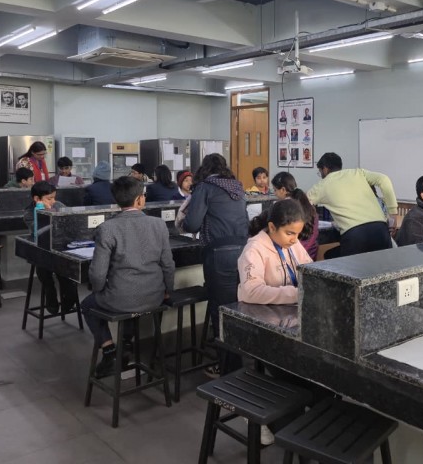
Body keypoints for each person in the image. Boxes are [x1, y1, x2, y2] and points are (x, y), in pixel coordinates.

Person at [81, 176, 174, 378]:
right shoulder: (158, 225)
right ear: (140, 199)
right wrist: (168, 291)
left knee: (88, 305)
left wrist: (98, 290)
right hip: (154, 297)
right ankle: (126, 344)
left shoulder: (107, 228)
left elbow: (97, 274)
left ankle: (109, 352)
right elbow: (168, 265)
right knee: (129, 297)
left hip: (121, 299)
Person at [181, 153, 249, 375]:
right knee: (236, 307)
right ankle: (239, 361)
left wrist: (184, 219)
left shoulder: (205, 187)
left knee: (220, 309)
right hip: (243, 250)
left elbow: (192, 224)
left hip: (219, 253)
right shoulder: (237, 187)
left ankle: (228, 370)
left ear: (205, 168)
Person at [306, 152, 398, 258]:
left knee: (339, 262)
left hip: (355, 236)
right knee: (381, 265)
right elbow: (384, 179)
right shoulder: (357, 172)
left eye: (320, 172)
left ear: (325, 169)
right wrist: (393, 213)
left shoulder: (322, 185)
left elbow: (302, 202)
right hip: (380, 230)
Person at [238, 199, 312, 305]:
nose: (295, 240)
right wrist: (297, 294)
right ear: (272, 227)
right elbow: (251, 292)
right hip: (261, 312)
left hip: (289, 308)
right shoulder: (254, 249)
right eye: (289, 233)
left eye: (297, 234)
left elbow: (310, 273)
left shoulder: (293, 244)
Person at [23, 181, 79, 315]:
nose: (53, 201)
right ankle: (50, 295)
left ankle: (68, 299)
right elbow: (40, 231)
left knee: (65, 274)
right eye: (49, 198)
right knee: (43, 271)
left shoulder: (58, 205)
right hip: (42, 249)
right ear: (37, 199)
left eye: (54, 197)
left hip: (60, 247)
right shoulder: (29, 213)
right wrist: (44, 212)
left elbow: (71, 222)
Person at [271, 171, 318, 260]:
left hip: (296, 254)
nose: (275, 193)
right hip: (311, 252)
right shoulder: (307, 204)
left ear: (283, 190)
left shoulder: (286, 208)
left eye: (275, 190)